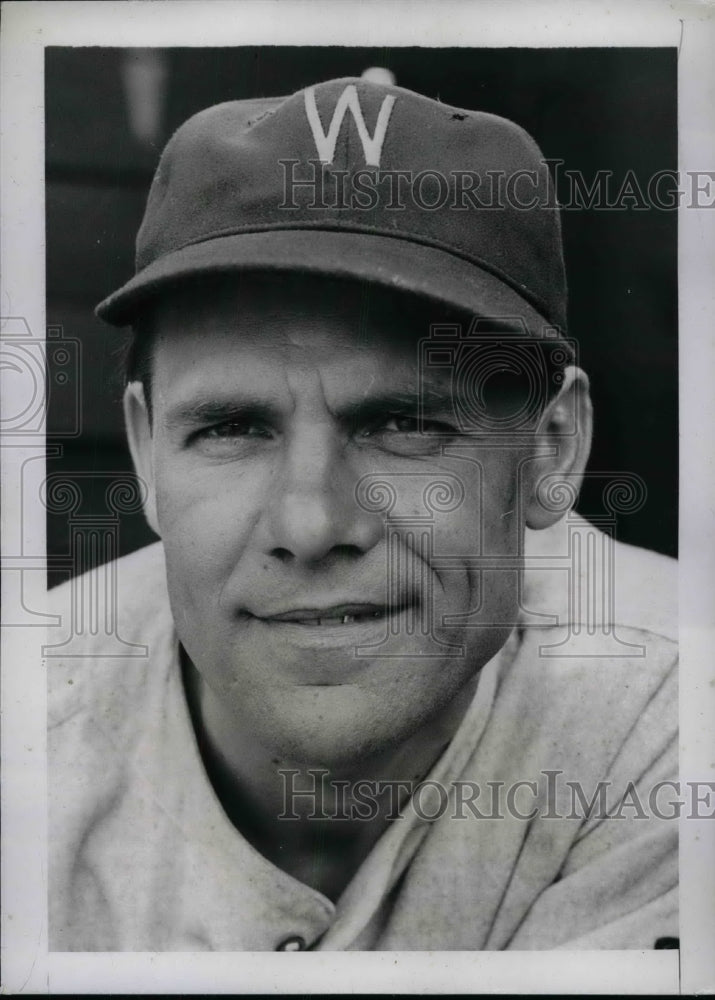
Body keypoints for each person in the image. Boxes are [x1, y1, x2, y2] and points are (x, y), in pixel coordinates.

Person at [48, 75, 677, 951]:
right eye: (233, 427)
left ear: (549, 448)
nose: (309, 525)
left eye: (404, 423)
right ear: (148, 453)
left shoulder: (675, 719)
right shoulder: (29, 742)